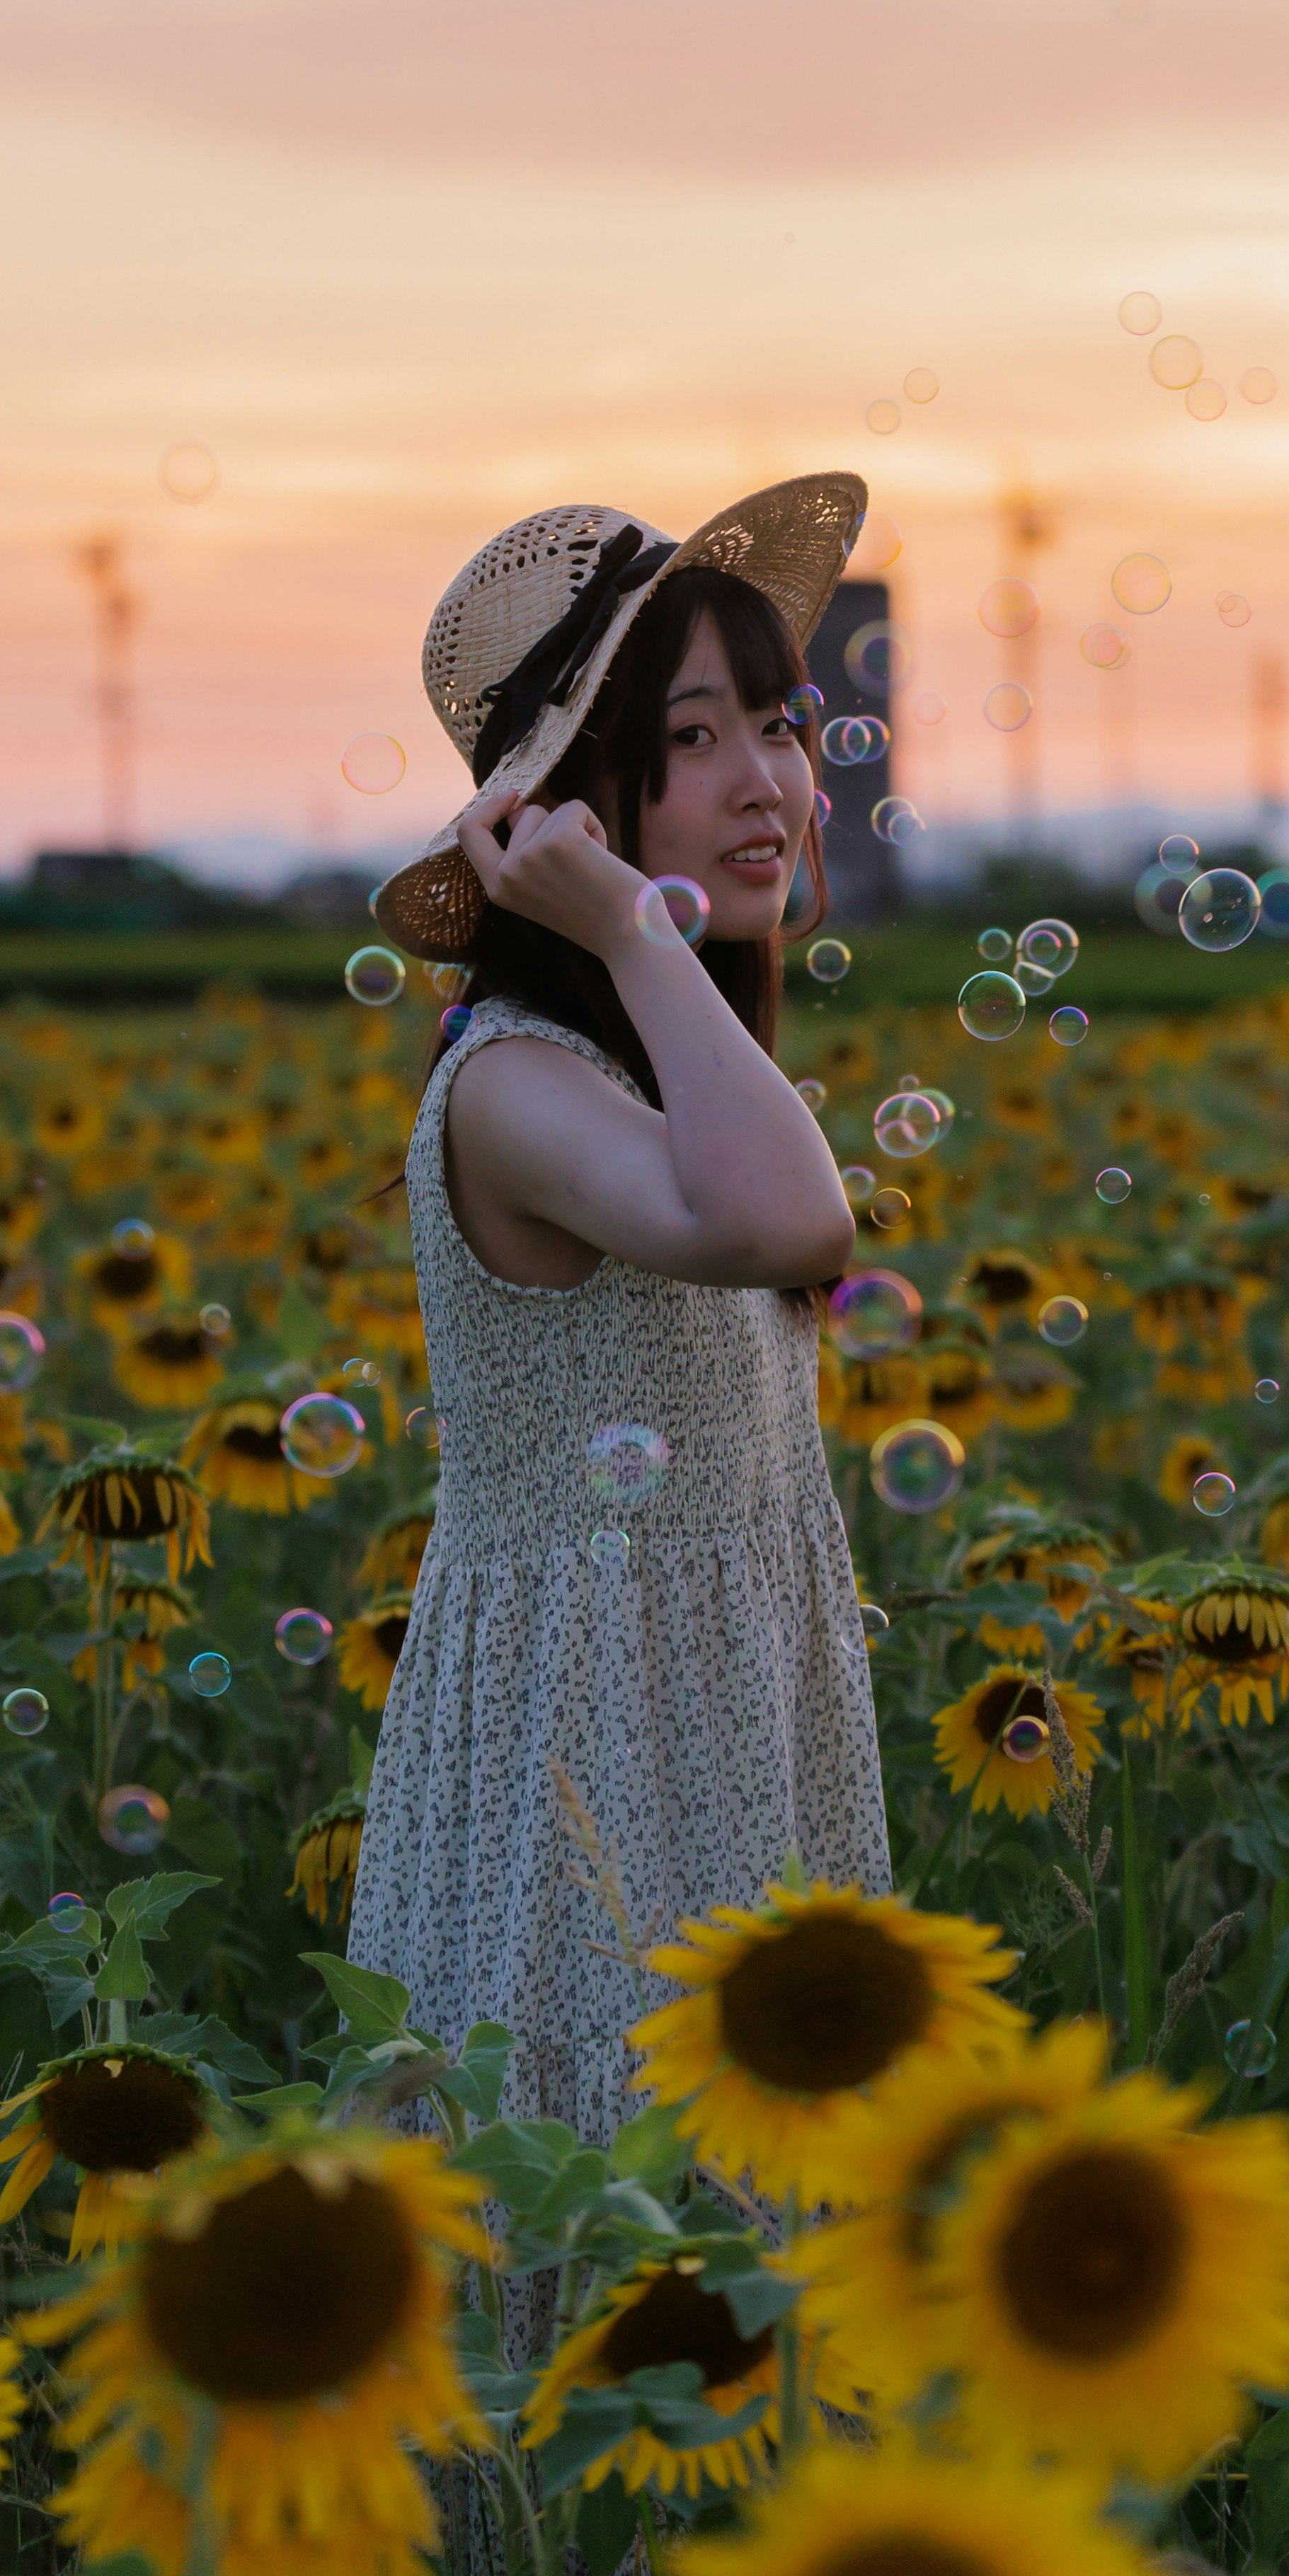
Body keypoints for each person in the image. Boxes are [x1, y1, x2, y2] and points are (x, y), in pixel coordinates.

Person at [350, 477, 893, 2140]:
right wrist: (626, 929)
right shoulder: (517, 1081)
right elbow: (794, 1218)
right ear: (572, 810)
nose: (768, 784)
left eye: (783, 726)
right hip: (587, 1761)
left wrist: (649, 949)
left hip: (730, 1709)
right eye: (690, 739)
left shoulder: (663, 1073)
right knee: (615, 2259)